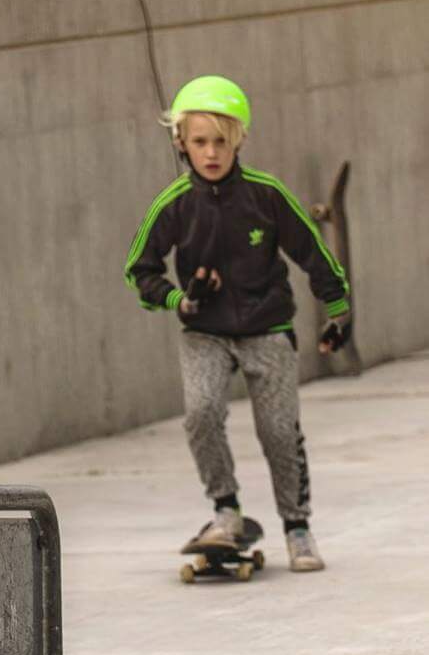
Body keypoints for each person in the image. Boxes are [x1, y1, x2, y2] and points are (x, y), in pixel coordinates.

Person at [124, 75, 351, 573]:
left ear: (239, 141)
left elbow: (313, 253)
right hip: (204, 331)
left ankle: (298, 528)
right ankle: (226, 510)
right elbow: (139, 269)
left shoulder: (266, 196)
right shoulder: (174, 204)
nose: (211, 152)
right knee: (201, 413)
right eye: (200, 141)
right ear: (181, 142)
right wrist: (180, 301)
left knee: (278, 431)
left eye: (221, 141)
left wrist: (338, 311)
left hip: (268, 330)